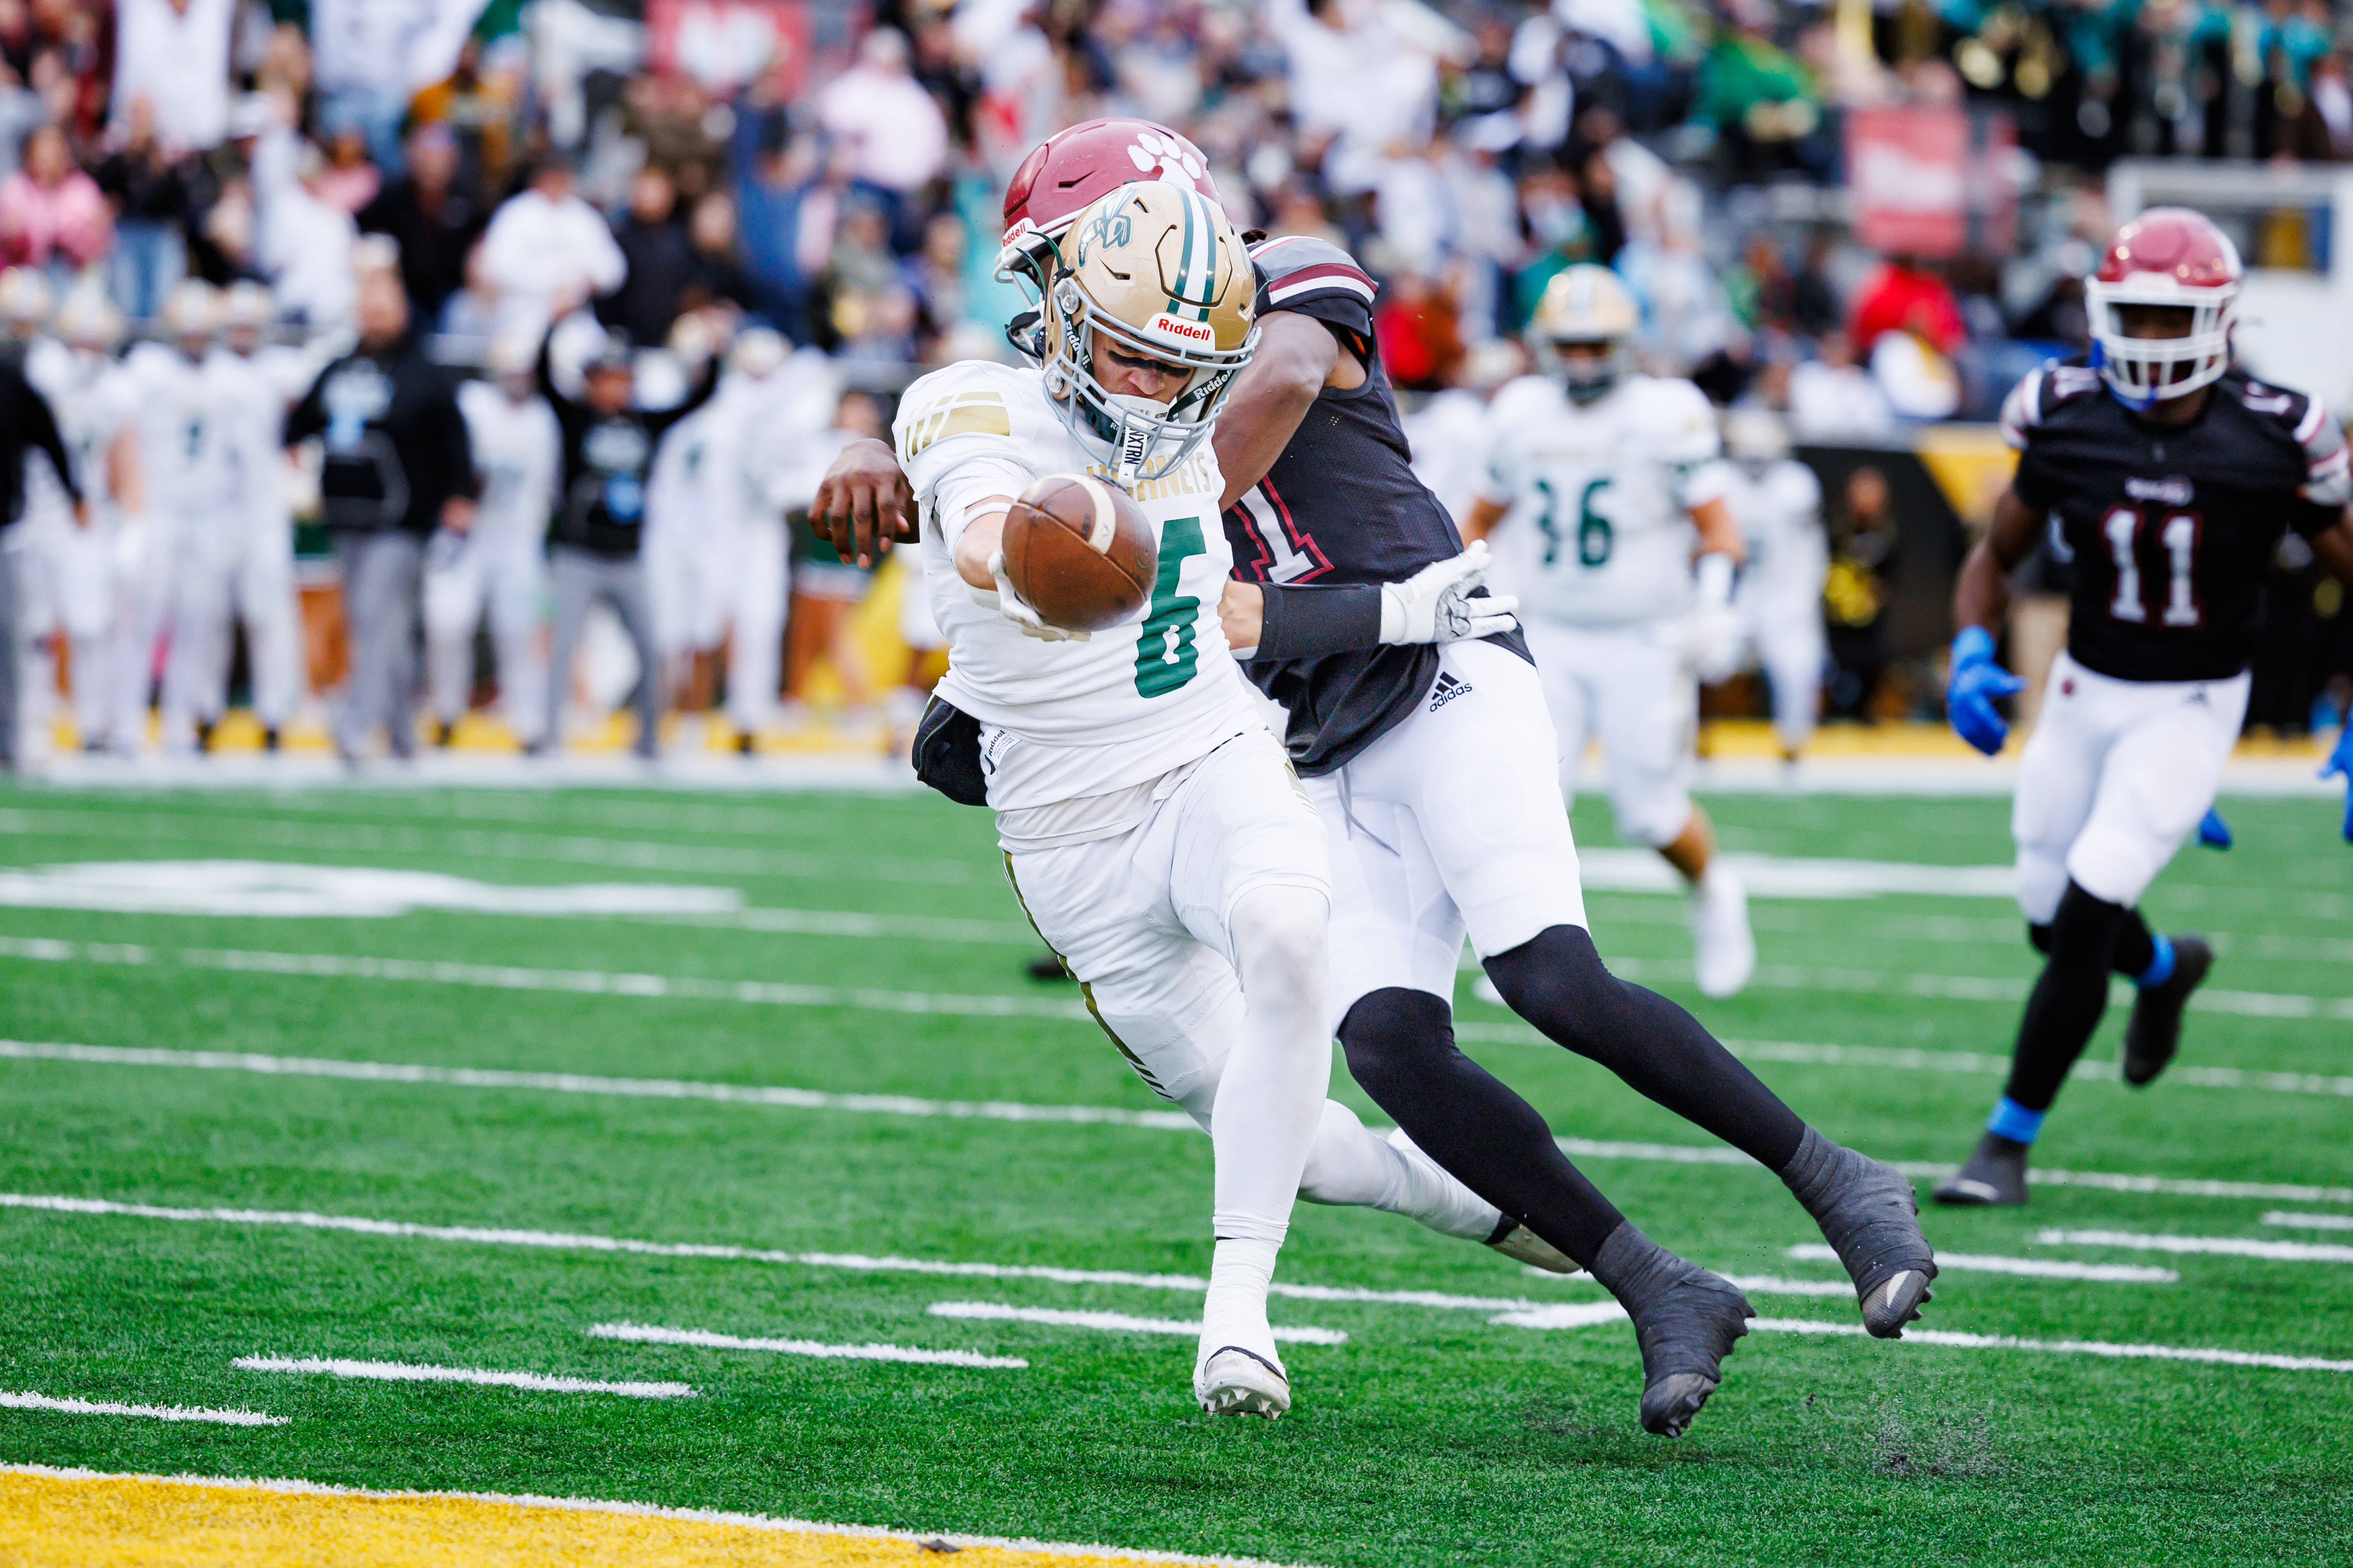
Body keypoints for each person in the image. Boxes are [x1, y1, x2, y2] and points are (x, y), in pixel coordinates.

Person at [814, 121, 1939, 1438]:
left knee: (1548, 973)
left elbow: (1280, 374)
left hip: (1440, 669)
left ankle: (1837, 1179)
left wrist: (1151, 496)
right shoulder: (1075, 396)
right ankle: (1652, 1282)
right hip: (1314, 736)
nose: (1139, 355)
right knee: (1391, 1045)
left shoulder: (1283, 290)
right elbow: (983, 460)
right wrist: (903, 472)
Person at [886, 178, 1533, 1422]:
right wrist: (1014, 543)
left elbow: (1235, 606)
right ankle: (1461, 1198)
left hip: (1209, 753)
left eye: (1177, 366)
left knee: (1292, 931)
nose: (1146, 390)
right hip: (1071, 843)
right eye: (1127, 356)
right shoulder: (974, 399)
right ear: (1064, 313)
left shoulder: (1197, 435)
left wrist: (1408, 607)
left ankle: (1236, 1313)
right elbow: (970, 499)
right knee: (1323, 1152)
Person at [1933, 208, 2353, 1207]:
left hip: (2192, 702)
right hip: (2082, 691)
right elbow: (1995, 552)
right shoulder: (2060, 408)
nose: (2150, 338)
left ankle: (2005, 1142)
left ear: (2215, 320)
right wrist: (1967, 648)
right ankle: (2163, 969)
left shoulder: (2277, 430)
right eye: (2133, 315)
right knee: (2046, 917)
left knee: (2085, 907)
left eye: (2171, 320)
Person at [1460, 266, 1758, 999]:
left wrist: (1715, 607)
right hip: (1550, 631)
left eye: (1596, 344)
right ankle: (1525, 946)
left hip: (1644, 637)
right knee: (1531, 799)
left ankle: (1715, 888)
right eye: (1570, 344)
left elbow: (1719, 529)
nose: (1584, 359)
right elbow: (1474, 520)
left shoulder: (1667, 412)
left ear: (1625, 344)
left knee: (1649, 811)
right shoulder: (1522, 411)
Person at [285, 263, 479, 764]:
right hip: (348, 517)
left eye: (384, 304)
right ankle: (401, 731)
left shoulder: (423, 372)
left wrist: (459, 498)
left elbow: (455, 442)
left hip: (403, 520)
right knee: (381, 627)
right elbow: (301, 421)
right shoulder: (341, 367)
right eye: (368, 304)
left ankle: (355, 724)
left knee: (375, 619)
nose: (375, 314)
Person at [536, 319, 718, 760]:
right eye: (606, 379)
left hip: (628, 558)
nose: (615, 388)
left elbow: (698, 398)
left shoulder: (645, 423)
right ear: (591, 383)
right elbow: (544, 378)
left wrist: (712, 352)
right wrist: (557, 322)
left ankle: (649, 741)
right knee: (562, 648)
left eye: (622, 379)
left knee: (651, 647)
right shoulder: (575, 419)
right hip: (576, 555)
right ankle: (547, 738)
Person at [21, 286, 142, 754]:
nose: (86, 352)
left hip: (89, 519)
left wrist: (134, 524)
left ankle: (96, 723)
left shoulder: (118, 390)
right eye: (79, 341)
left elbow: (125, 461)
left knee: (92, 626)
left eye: (95, 342)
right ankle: (32, 721)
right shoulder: (41, 375)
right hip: (36, 514)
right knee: (33, 628)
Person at [426, 331, 557, 751]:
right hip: (468, 533)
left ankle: (528, 723)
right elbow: (445, 458)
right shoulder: (472, 406)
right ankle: (446, 711)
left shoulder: (543, 419)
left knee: (518, 631)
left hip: (517, 536)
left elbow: (549, 486)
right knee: (448, 622)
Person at [0, 274, 82, 770]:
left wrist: (75, 492)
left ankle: (9, 734)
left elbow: (50, 439)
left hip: (7, 527)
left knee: (11, 635)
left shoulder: (15, 381)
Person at [1719, 407, 1826, 762]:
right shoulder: (1720, 480)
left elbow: (1810, 550)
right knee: (1701, 655)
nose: (1753, 466)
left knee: (1797, 663)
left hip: (1780, 590)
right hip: (1732, 591)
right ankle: (1694, 739)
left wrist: (1802, 599)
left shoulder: (1794, 483)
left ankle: (1793, 742)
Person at [478, 152, 627, 335]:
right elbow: (493, 265)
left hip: (573, 317)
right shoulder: (516, 213)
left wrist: (580, 287)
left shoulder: (582, 216)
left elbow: (613, 270)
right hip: (520, 314)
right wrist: (546, 288)